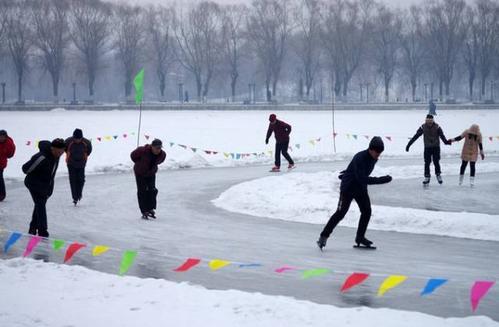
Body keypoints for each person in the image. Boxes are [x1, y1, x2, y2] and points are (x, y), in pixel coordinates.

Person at [317, 137, 392, 250]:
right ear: (371, 149)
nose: (379, 155)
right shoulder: (360, 157)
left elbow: (359, 173)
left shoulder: (374, 158)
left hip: (360, 188)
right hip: (348, 188)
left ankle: (360, 237)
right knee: (341, 213)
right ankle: (323, 236)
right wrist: (381, 180)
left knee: (366, 211)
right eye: (377, 152)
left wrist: (348, 172)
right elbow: (361, 177)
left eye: (380, 152)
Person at [22, 139, 66, 237]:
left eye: (62, 152)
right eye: (59, 152)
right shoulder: (41, 157)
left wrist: (49, 187)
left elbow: (51, 172)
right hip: (33, 184)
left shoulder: (56, 156)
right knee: (41, 205)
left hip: (45, 185)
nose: (60, 154)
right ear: (52, 148)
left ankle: (33, 228)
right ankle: (42, 231)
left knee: (39, 205)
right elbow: (25, 168)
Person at [406, 114, 451, 185]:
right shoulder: (423, 127)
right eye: (428, 121)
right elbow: (416, 136)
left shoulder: (437, 127)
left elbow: (442, 136)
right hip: (427, 148)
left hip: (436, 147)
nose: (429, 123)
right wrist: (409, 144)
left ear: (433, 120)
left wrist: (446, 142)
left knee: (436, 161)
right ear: (426, 120)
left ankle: (438, 175)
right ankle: (427, 177)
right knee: (427, 162)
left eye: (431, 121)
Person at [131, 139, 166, 219]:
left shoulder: (162, 154)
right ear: (152, 146)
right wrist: (139, 164)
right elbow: (133, 156)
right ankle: (144, 210)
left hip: (151, 173)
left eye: (160, 148)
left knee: (152, 190)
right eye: (157, 148)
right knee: (142, 191)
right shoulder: (142, 150)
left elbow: (160, 161)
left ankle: (150, 208)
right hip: (140, 173)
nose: (158, 150)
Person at [65, 128, 92, 206]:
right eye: (76, 138)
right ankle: (75, 197)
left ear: (81, 137)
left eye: (79, 139)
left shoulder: (87, 142)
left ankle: (79, 194)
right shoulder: (68, 141)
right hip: (71, 164)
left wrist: (83, 157)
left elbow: (89, 151)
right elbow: (65, 149)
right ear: (73, 137)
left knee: (81, 180)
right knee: (73, 180)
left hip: (81, 164)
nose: (77, 140)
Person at [0, 130, 16, 202]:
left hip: (1, 164)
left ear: (5, 137)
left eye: (3, 137)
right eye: (0, 137)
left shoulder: (9, 143)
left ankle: (2, 195)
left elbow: (10, 154)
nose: (1, 138)